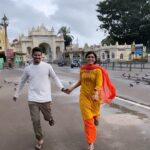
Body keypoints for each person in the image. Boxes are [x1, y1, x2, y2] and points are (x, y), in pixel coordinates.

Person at [13, 47, 66, 150]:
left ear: (42, 56)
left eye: (39, 55)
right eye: (35, 55)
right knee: (35, 120)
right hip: (32, 99)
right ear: (32, 55)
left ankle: (50, 118)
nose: (37, 56)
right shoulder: (28, 69)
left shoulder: (47, 66)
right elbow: (22, 81)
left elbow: (55, 77)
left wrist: (62, 88)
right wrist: (16, 94)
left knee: (47, 117)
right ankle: (40, 139)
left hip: (45, 98)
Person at [66, 51, 115, 150]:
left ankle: (96, 116)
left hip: (95, 97)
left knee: (94, 113)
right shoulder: (83, 69)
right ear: (86, 58)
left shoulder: (98, 70)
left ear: (95, 59)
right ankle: (90, 142)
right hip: (84, 97)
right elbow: (80, 81)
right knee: (88, 121)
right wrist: (72, 88)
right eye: (88, 57)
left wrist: (96, 94)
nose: (90, 58)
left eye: (92, 57)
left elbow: (99, 84)